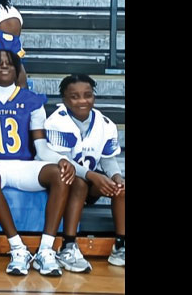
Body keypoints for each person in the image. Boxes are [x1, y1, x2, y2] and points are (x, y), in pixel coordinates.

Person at [0, 49, 71, 277]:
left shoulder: (32, 100)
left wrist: (62, 160)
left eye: (9, 63)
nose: (4, 66)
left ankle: (46, 249)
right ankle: (17, 248)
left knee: (60, 174)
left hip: (25, 164)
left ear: (17, 70)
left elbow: (41, 147)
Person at [44, 74, 125, 270]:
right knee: (79, 183)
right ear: (64, 99)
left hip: (90, 181)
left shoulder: (105, 124)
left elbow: (108, 159)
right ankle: (68, 246)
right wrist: (92, 176)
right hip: (61, 183)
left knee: (120, 187)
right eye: (75, 96)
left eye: (87, 95)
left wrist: (116, 177)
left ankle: (120, 245)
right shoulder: (57, 121)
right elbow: (65, 162)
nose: (82, 101)